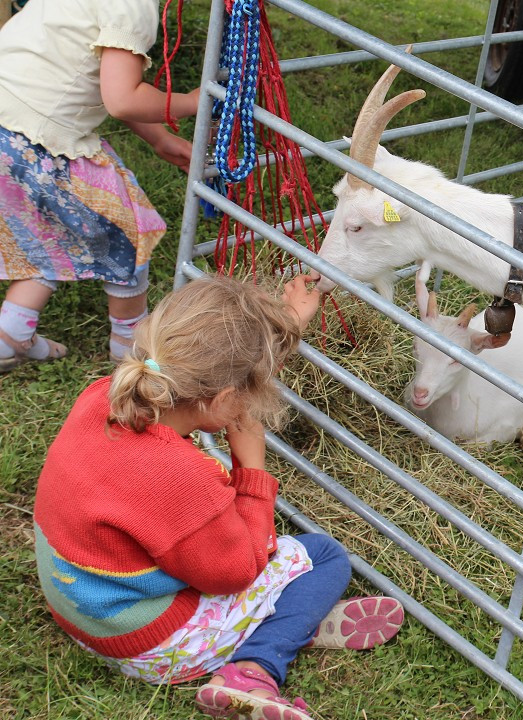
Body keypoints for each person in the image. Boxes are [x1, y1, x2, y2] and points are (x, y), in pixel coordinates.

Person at [33, 273, 405, 720]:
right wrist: (252, 470)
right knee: (321, 557)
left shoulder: (103, 398)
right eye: (248, 394)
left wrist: (288, 323)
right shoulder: (182, 478)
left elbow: (217, 371)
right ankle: (254, 667)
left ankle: (289, 619)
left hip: (83, 606)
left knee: (271, 566)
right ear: (224, 396)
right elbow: (234, 573)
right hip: (148, 641)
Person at [0, 0, 198, 371]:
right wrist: (187, 102)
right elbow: (122, 99)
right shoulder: (133, 5)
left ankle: (9, 334)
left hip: (8, 126)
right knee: (128, 232)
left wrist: (159, 139)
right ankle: (130, 349)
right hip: (35, 142)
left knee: (49, 226)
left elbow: (110, 83)